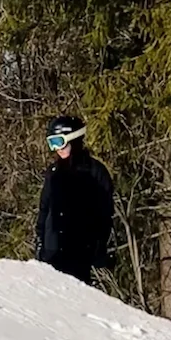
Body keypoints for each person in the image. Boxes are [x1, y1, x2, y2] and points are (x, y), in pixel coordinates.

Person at [35, 114, 114, 286]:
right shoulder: (53, 172)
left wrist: (99, 246)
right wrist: (40, 240)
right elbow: (45, 207)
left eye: (59, 142)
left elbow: (105, 212)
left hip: (80, 251)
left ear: (74, 140)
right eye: (52, 144)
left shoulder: (95, 172)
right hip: (52, 250)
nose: (57, 149)